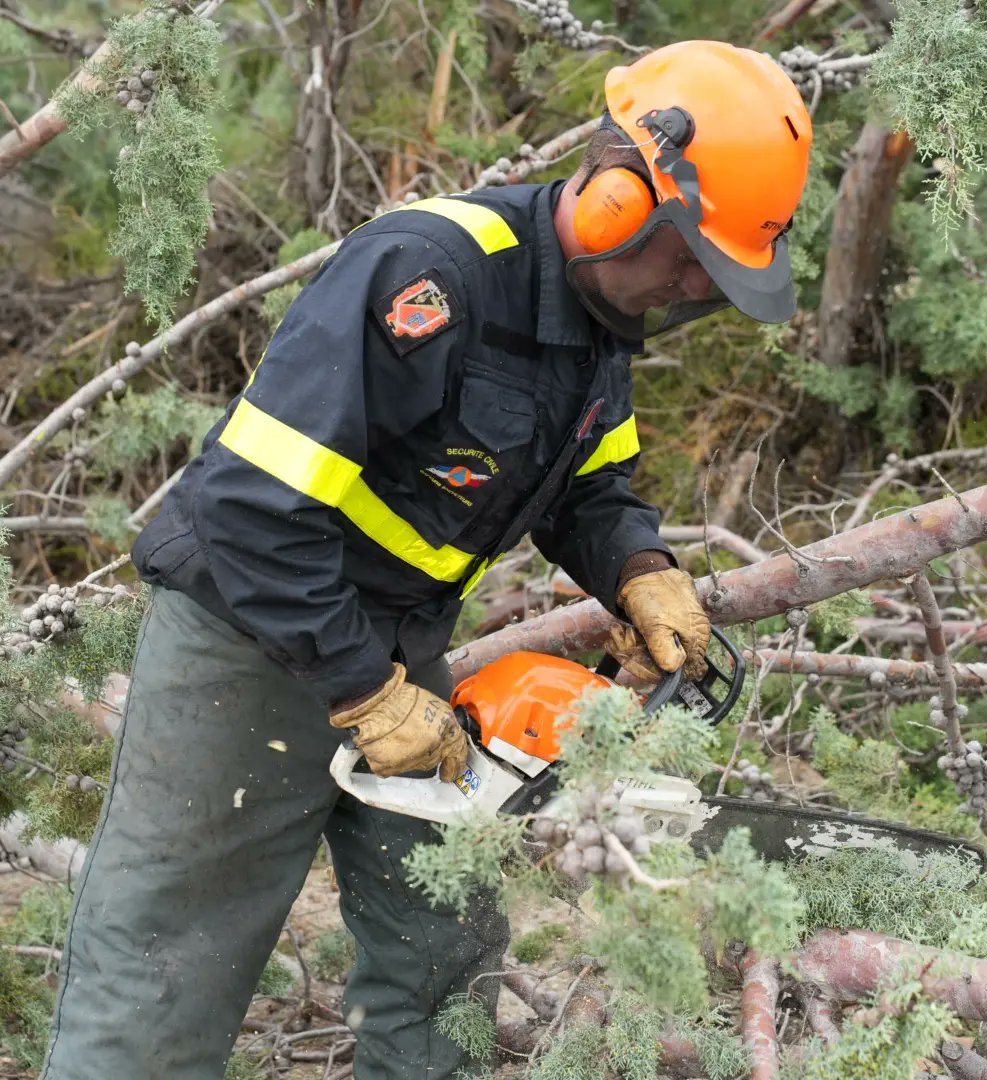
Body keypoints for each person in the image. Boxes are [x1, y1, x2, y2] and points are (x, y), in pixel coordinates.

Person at [40, 39, 812, 1080]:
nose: (690, 286)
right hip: (250, 644)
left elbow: (594, 485)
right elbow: (249, 507)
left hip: (401, 650)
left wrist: (638, 565)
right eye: (689, 255)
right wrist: (362, 692)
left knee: (444, 949)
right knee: (168, 968)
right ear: (619, 199)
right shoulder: (431, 272)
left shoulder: (597, 321)